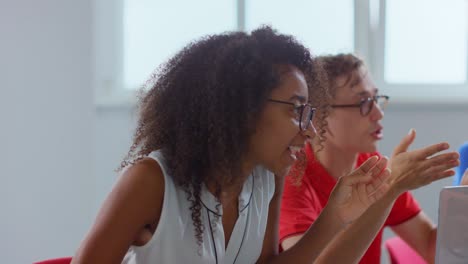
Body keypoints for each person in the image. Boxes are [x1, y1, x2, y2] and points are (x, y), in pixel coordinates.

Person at [72, 29, 454, 264]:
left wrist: (335, 214)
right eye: (298, 111)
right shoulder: (151, 180)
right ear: (242, 108)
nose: (309, 130)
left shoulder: (266, 181)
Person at [279, 53, 460, 264]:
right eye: (363, 102)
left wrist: (463, 206)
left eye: (376, 99)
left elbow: (431, 248)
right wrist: (391, 188)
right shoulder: (294, 177)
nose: (378, 114)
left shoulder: (372, 164)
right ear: (318, 116)